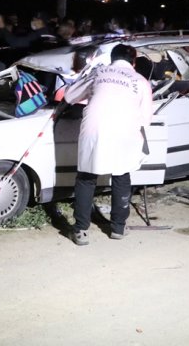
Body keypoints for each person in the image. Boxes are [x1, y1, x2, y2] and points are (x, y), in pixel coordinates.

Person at [63, 44, 153, 245]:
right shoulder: (140, 81)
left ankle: (81, 231)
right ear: (134, 62)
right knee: (121, 176)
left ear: (111, 59)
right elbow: (146, 119)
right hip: (125, 132)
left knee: (87, 177)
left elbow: (70, 96)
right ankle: (118, 228)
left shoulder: (98, 72)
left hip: (94, 130)